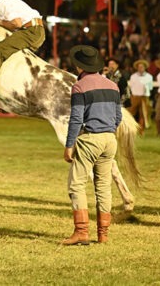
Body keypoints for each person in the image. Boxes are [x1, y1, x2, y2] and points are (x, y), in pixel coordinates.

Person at [61, 45, 121, 246]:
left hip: (90, 139)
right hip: (110, 140)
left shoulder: (79, 87)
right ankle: (103, 234)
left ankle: (81, 232)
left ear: (79, 67)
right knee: (103, 186)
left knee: (76, 184)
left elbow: (76, 119)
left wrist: (69, 144)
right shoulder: (113, 86)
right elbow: (118, 117)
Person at [128, 59, 153, 133]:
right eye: (139, 67)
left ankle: (141, 130)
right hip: (135, 97)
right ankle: (131, 129)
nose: (140, 68)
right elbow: (131, 86)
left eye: (142, 67)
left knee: (143, 114)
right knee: (131, 113)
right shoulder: (133, 76)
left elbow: (150, 87)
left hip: (144, 97)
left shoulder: (149, 77)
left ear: (145, 67)